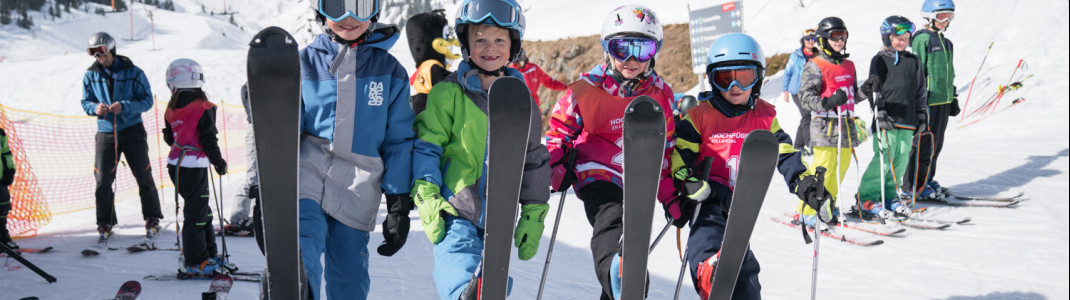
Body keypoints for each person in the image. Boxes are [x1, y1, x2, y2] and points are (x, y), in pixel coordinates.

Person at [411, 0, 549, 299]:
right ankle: (464, 293)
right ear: (466, 43)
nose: (490, 48)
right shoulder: (447, 94)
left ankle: (484, 292)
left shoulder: (523, 103)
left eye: (500, 39)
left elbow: (533, 158)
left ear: (513, 46)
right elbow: (428, 146)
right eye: (480, 39)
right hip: (456, 206)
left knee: (495, 272)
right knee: (456, 256)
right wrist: (426, 190)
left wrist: (534, 209)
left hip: (501, 213)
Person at [544, 5, 676, 299]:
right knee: (611, 218)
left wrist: (669, 195)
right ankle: (617, 270)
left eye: (641, 49)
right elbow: (558, 135)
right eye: (621, 48)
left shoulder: (660, 95)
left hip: (638, 181)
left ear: (654, 52)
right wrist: (556, 167)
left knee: (635, 243)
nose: (630, 59)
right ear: (607, 48)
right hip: (597, 174)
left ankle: (624, 281)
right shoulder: (584, 91)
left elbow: (665, 152)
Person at [667, 33, 811, 300]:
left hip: (742, 205)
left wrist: (803, 181)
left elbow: (785, 151)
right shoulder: (700, 116)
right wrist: (687, 179)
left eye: (744, 78)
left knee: (744, 265)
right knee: (706, 236)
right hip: (707, 196)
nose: (735, 86)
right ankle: (708, 269)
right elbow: (680, 154)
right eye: (725, 78)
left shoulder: (765, 117)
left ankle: (744, 291)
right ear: (713, 79)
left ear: (757, 78)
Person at [300, 0, 416, 298]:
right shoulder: (303, 64)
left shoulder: (390, 71)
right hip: (306, 177)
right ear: (321, 11)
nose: (349, 16)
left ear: (375, 11)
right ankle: (295, 286)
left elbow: (398, 141)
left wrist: (398, 203)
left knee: (350, 274)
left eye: (361, 5)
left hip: (358, 186)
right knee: (303, 243)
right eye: (338, 5)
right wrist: (266, 193)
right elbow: (282, 131)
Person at [79, 32, 163, 243]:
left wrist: (124, 106)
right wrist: (94, 108)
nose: (99, 58)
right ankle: (105, 222)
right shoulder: (91, 75)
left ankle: (152, 217)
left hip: (132, 130)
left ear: (111, 49)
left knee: (143, 175)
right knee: (102, 181)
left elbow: (146, 101)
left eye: (102, 52)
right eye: (94, 54)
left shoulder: (133, 72)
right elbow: (85, 102)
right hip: (106, 132)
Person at [795, 17, 869, 226]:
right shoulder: (815, 65)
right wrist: (827, 102)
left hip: (846, 124)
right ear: (824, 39)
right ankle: (807, 209)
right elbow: (806, 97)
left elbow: (851, 95)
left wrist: (866, 90)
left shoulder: (849, 65)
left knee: (841, 167)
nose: (840, 40)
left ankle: (827, 203)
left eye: (843, 36)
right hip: (824, 124)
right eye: (835, 36)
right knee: (823, 167)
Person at [160, 58, 230, 276]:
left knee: (201, 211)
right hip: (194, 168)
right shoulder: (203, 107)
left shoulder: (171, 108)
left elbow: (171, 138)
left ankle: (208, 254)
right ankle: (195, 260)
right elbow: (209, 139)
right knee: (197, 214)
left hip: (178, 167)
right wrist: (219, 162)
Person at [856, 16, 929, 219]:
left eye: (906, 38)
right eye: (898, 38)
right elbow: (874, 87)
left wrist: (922, 113)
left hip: (908, 119)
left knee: (900, 161)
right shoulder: (879, 60)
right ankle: (867, 198)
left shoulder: (913, 61)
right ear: (887, 37)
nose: (903, 42)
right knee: (884, 160)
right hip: (886, 118)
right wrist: (878, 110)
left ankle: (888, 196)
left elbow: (920, 90)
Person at [904, 0, 959, 201]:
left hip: (942, 101)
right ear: (929, 16)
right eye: (942, 16)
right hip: (927, 101)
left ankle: (926, 180)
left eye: (949, 16)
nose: (946, 21)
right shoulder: (923, 39)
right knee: (923, 145)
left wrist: (952, 96)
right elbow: (917, 72)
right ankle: (912, 186)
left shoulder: (946, 42)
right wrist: (918, 102)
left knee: (936, 145)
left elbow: (950, 73)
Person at [406, 9, 457, 115]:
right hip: (430, 109)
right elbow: (448, 82)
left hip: (421, 106)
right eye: (446, 37)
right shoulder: (432, 66)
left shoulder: (423, 67)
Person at [783, 28, 817, 155]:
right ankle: (809, 144)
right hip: (796, 90)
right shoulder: (796, 55)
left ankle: (798, 145)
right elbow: (787, 73)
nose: (810, 41)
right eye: (807, 39)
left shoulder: (816, 55)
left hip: (810, 91)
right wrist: (785, 91)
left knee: (805, 117)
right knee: (806, 115)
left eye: (812, 39)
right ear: (803, 41)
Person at [509, 47, 567, 113]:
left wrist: (565, 87)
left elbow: (549, 82)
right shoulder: (510, 72)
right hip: (518, 111)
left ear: (524, 59)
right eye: (515, 64)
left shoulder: (534, 69)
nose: (517, 66)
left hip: (534, 108)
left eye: (519, 64)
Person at [1, 127, 17, 249]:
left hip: (0, 179)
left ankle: (2, 236)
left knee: (3, 207)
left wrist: (10, 170)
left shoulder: (0, 134)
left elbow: (6, 152)